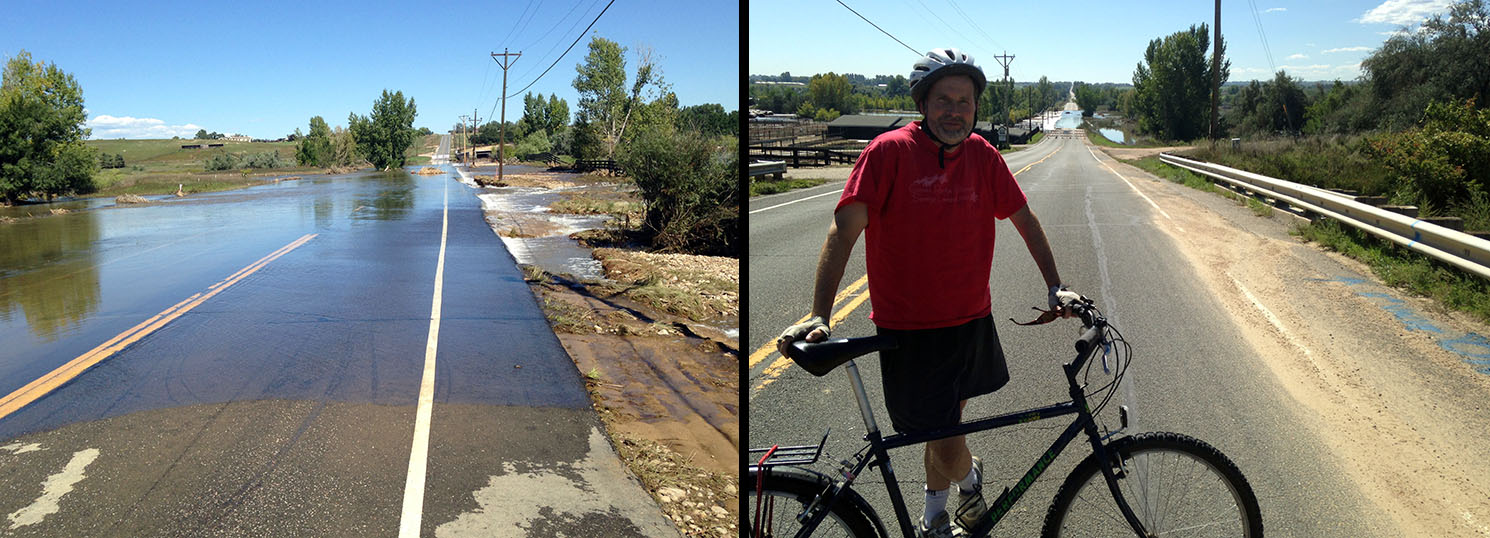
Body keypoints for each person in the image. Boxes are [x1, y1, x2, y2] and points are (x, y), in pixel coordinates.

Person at [777, 48, 1079, 538]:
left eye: (964, 101)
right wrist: (819, 313)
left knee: (944, 430)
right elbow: (843, 231)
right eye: (944, 100)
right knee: (942, 437)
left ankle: (934, 518)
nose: (955, 110)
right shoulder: (889, 152)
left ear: (976, 108)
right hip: (910, 332)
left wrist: (1055, 285)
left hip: (971, 321)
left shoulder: (983, 155)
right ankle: (970, 481)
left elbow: (1024, 219)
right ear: (923, 103)